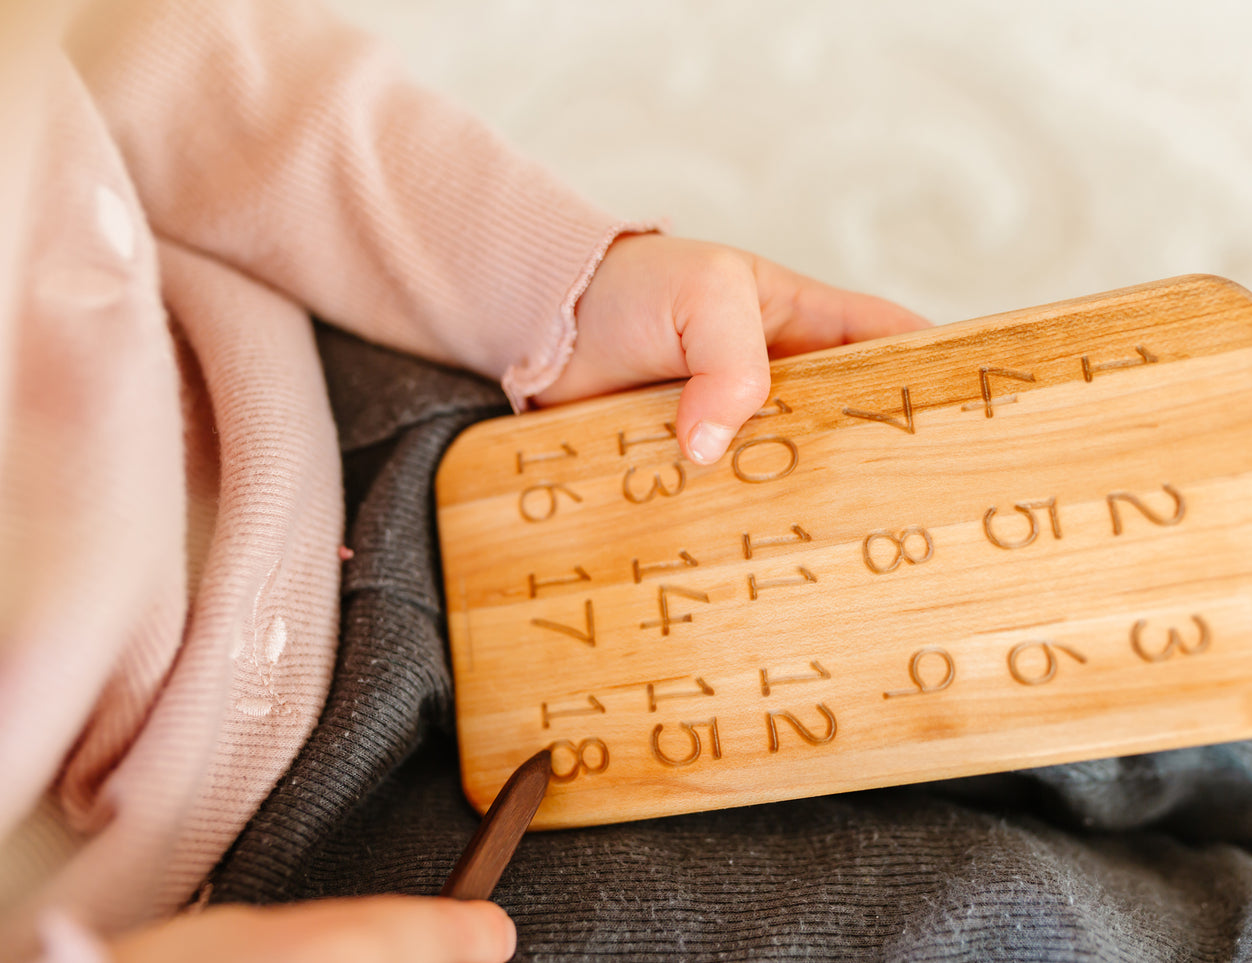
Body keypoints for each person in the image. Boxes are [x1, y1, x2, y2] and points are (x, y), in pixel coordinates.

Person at [0, 0, 931, 960]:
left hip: (347, 405)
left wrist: (558, 285)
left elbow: (154, 55)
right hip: (236, 892)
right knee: (977, 914)